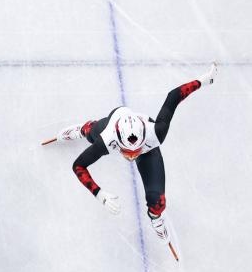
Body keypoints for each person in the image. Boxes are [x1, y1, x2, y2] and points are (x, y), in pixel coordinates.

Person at [52, 63, 217, 244]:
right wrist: (99, 194)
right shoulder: (107, 139)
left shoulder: (157, 132)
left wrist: (205, 80)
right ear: (117, 142)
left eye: (135, 152)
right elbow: (78, 165)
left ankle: (156, 218)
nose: (131, 157)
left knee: (158, 202)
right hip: (113, 120)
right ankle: (82, 129)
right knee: (92, 132)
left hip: (149, 148)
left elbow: (174, 96)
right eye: (127, 152)